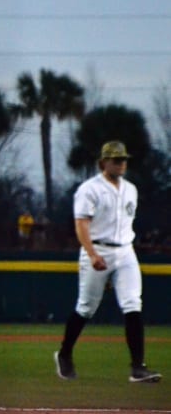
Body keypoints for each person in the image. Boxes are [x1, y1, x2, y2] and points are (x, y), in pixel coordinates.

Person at [53, 141, 162, 383]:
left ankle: (138, 368)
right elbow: (81, 225)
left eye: (123, 159)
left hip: (125, 251)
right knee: (85, 307)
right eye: (116, 160)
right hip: (97, 248)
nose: (121, 163)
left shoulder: (131, 189)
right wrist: (92, 254)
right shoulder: (89, 189)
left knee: (133, 303)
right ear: (103, 163)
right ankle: (65, 353)